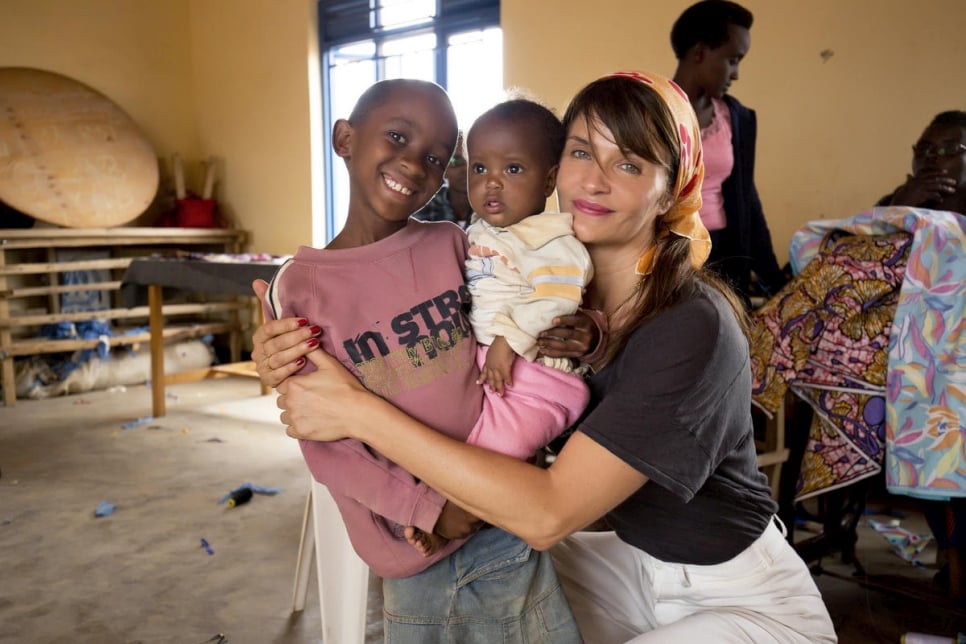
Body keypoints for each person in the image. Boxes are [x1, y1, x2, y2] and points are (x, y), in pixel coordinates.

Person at [254, 70, 837, 642]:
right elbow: (385, 307)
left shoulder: (692, 326)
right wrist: (283, 349)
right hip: (631, 567)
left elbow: (547, 514)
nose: (595, 181)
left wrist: (355, 411)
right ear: (558, 165)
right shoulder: (535, 283)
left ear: (672, 189)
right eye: (584, 152)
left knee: (511, 554)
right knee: (476, 588)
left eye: (629, 164)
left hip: (742, 598)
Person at [259, 77, 584, 642]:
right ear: (344, 139)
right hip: (419, 540)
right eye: (398, 137)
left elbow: (523, 295)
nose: (414, 163)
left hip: (503, 500)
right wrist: (431, 508)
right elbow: (324, 443)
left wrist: (585, 332)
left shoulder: (451, 244)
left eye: (436, 156)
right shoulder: (303, 290)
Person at [404, 98, 594, 557]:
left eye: (512, 169)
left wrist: (509, 342)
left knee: (493, 450)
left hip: (538, 375)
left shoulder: (551, 238)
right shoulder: (477, 234)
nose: (491, 182)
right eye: (479, 168)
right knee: (444, 435)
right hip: (493, 366)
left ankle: (455, 518)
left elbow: (557, 297)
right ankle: (441, 501)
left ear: (548, 180)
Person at [878, 109, 966, 604]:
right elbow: (846, 260)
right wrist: (896, 205)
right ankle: (952, 555)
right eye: (923, 151)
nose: (933, 161)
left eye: (949, 150)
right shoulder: (903, 203)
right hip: (910, 367)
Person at [671, 0, 786, 304]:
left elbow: (747, 200)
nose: (735, 74)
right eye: (733, 60)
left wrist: (772, 281)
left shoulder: (736, 118)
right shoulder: (650, 112)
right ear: (699, 53)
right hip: (669, 255)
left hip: (725, 255)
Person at [412, 130, 474, 227]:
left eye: (472, 160)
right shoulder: (423, 206)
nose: (466, 169)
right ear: (443, 167)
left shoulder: (493, 206)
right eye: (455, 161)